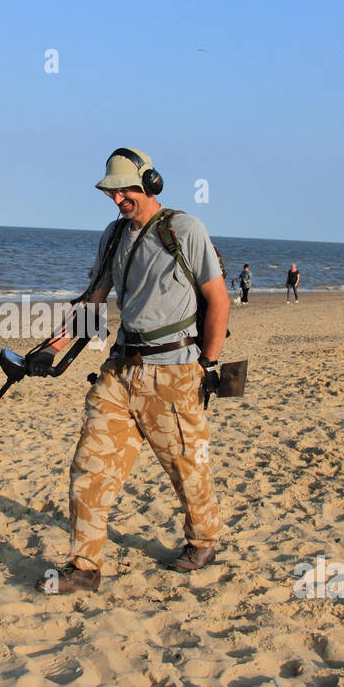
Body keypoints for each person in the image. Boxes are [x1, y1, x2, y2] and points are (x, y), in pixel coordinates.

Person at [43, 147, 229, 595]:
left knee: (187, 467)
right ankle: (84, 567)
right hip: (120, 372)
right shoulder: (112, 236)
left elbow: (218, 299)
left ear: (151, 182)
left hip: (175, 374)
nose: (118, 197)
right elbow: (94, 298)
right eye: (112, 190)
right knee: (90, 467)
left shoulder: (185, 230)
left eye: (126, 188)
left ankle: (203, 541)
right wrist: (55, 346)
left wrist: (207, 364)